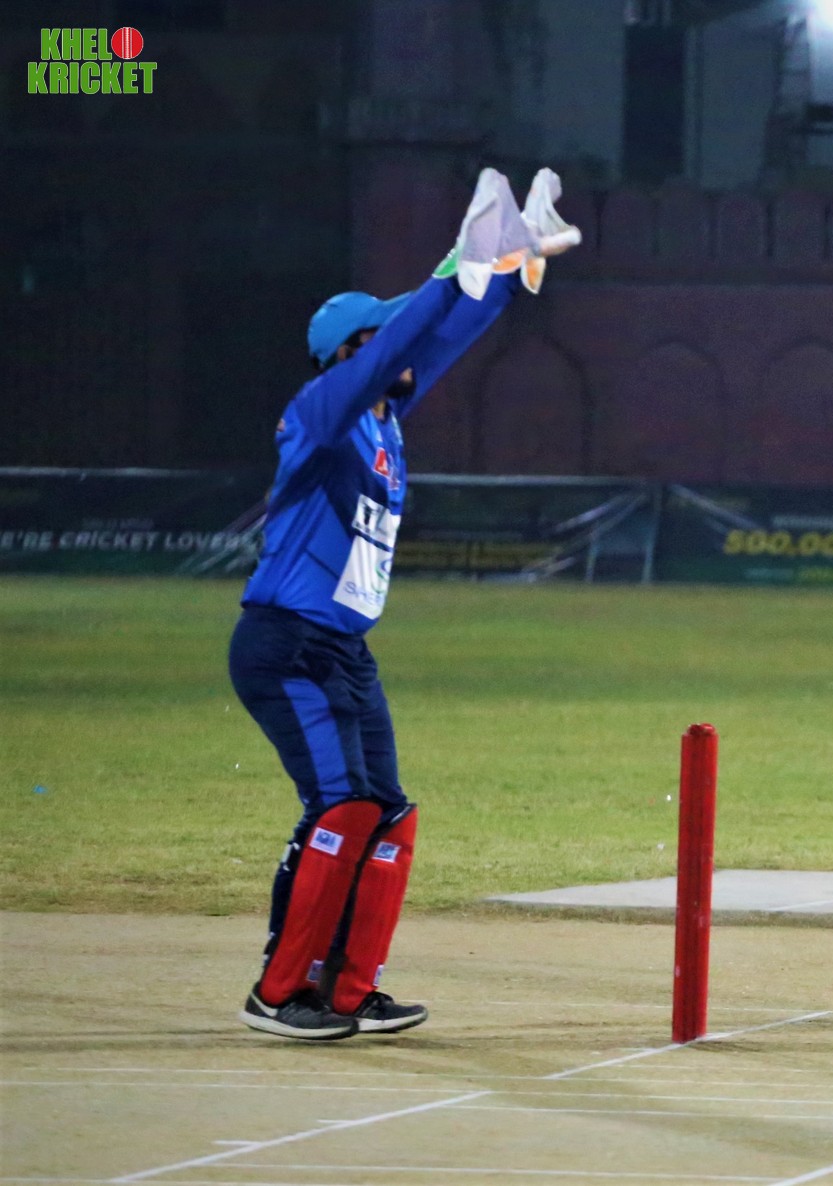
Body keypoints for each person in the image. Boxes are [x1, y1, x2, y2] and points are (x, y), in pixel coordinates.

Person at [229, 167, 580, 1040]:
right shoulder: (321, 413)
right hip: (285, 644)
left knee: (388, 813)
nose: (404, 350)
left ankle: (349, 991)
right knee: (342, 806)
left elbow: (443, 339)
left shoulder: (384, 419)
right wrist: (451, 269)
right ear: (351, 351)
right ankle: (279, 992)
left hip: (344, 650)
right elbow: (406, 339)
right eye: (382, 338)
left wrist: (507, 274)